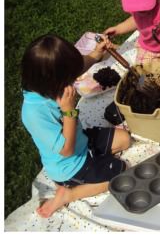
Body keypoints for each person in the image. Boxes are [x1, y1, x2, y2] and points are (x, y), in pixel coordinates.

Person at [21, 34, 132, 218]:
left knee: (125, 139)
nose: (73, 80)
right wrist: (69, 111)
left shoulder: (49, 82)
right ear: (54, 80)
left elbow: (78, 67)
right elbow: (66, 150)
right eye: (69, 78)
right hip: (69, 166)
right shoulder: (33, 113)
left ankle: (96, 159)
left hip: (83, 141)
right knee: (121, 170)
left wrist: (96, 54)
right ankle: (68, 193)